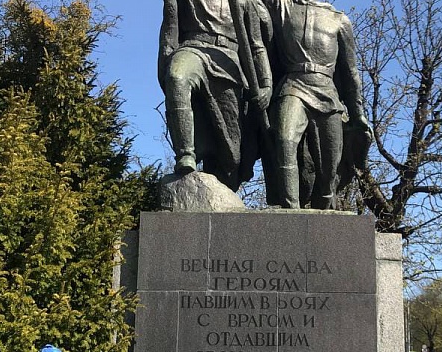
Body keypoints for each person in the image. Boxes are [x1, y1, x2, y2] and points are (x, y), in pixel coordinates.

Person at [261, 0, 370, 209]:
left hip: (327, 92)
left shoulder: (339, 20)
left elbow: (350, 72)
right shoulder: (283, 7)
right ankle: (290, 208)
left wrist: (357, 112)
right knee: (285, 139)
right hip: (293, 85)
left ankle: (325, 207)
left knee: (329, 166)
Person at [158, 0, 272, 190]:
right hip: (193, 49)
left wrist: (266, 85)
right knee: (177, 76)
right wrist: (166, 78)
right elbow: (169, 35)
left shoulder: (247, 2)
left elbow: (256, 46)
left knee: (232, 157)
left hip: (229, 60)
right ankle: (186, 154)